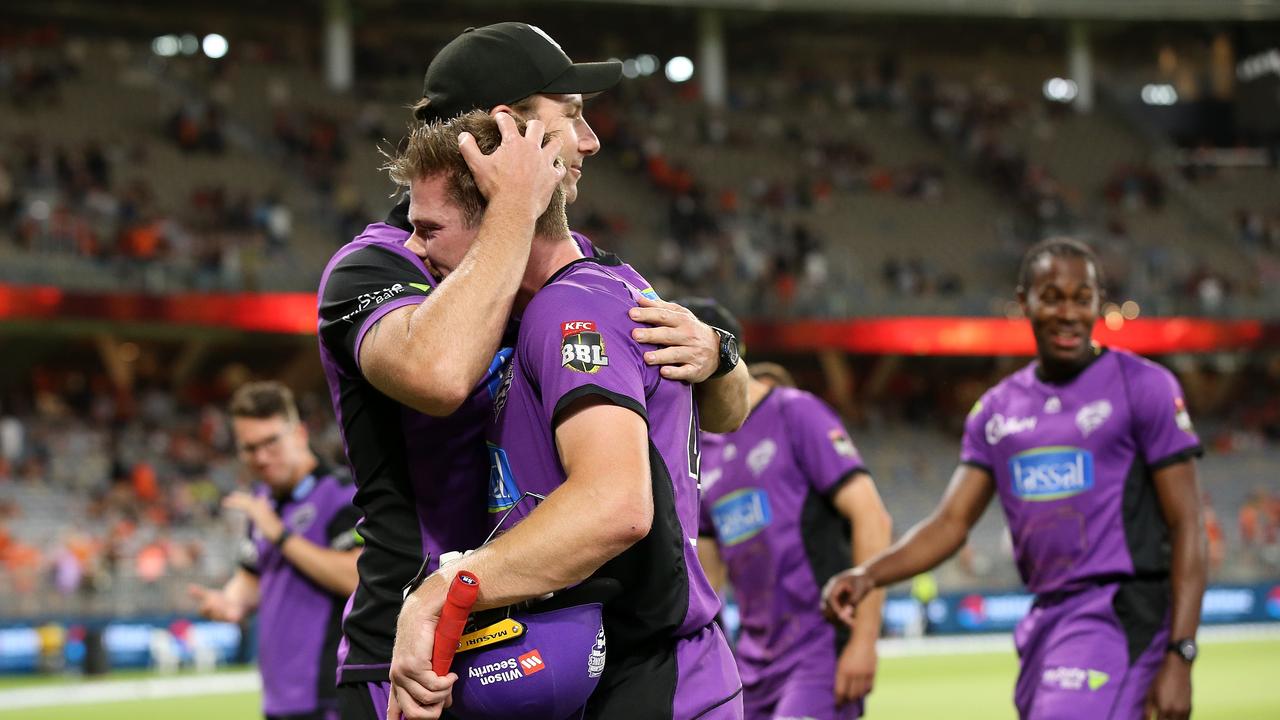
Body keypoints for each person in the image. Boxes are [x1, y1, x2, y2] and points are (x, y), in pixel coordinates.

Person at [317, 23, 748, 720]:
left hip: (561, 639)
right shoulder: (380, 267)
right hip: (417, 648)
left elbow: (717, 417)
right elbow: (439, 372)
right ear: (511, 132)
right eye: (572, 115)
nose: (591, 141)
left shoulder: (579, 287)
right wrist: (512, 209)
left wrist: (721, 354)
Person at [822, 238, 1207, 720]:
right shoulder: (997, 410)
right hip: (1046, 619)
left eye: (1081, 297)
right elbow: (949, 525)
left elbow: (1188, 523)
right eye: (1051, 296)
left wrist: (1181, 653)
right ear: (1024, 301)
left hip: (1123, 609)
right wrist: (868, 575)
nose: (1068, 312)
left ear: (1097, 302)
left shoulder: (1144, 386)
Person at [685, 301, 891, 720]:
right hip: (752, 664)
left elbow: (872, 516)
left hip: (819, 648)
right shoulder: (701, 449)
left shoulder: (795, 412)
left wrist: (864, 640)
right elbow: (708, 576)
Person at [189, 382, 361, 720]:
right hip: (278, 698)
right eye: (250, 448)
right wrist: (231, 602)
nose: (262, 457)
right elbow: (251, 578)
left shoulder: (342, 493)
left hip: (330, 694)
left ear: (298, 433)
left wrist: (280, 534)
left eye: (271, 442)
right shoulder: (263, 503)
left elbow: (357, 576)